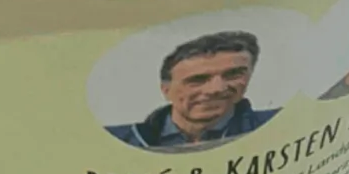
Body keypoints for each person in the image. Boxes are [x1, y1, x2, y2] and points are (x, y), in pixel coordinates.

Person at [106, 31, 279, 151]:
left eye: (233, 74)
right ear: (166, 90)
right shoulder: (113, 141)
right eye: (198, 79)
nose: (217, 89)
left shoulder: (278, 125)